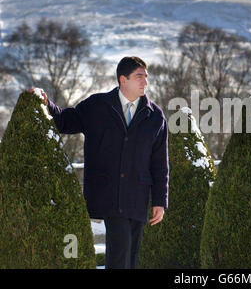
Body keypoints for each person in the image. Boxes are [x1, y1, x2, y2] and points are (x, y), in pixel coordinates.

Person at [29, 56, 169, 269]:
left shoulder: (155, 116)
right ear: (123, 80)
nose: (145, 82)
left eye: (146, 77)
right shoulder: (97, 106)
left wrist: (160, 201)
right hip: (107, 192)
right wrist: (45, 102)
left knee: (131, 255)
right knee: (121, 250)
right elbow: (66, 121)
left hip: (137, 194)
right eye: (139, 77)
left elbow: (160, 163)